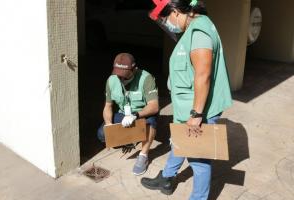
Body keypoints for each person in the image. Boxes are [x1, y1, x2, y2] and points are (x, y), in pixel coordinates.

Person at [141, 0, 233, 199]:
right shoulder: (194, 28)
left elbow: (203, 75)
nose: (166, 24)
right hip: (188, 107)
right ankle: (166, 177)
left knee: (199, 161)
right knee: (179, 142)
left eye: (165, 19)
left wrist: (196, 115)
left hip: (197, 109)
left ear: (175, 12)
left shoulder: (199, 32)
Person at [97, 53, 159, 176]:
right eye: (118, 75)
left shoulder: (146, 78)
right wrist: (109, 125)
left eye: (125, 76)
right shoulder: (111, 80)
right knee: (102, 134)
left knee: (151, 121)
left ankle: (143, 155)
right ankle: (130, 138)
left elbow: (154, 106)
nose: (121, 79)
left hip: (141, 114)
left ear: (134, 69)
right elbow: (108, 106)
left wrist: (136, 115)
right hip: (123, 114)